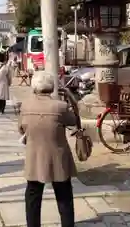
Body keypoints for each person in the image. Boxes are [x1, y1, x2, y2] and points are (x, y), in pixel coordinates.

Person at [18, 71, 78, 227]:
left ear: (34, 87)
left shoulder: (26, 105)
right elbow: (74, 121)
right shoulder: (61, 106)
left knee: (32, 195)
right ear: (52, 87)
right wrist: (70, 96)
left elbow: (21, 128)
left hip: (35, 155)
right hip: (58, 156)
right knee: (64, 195)